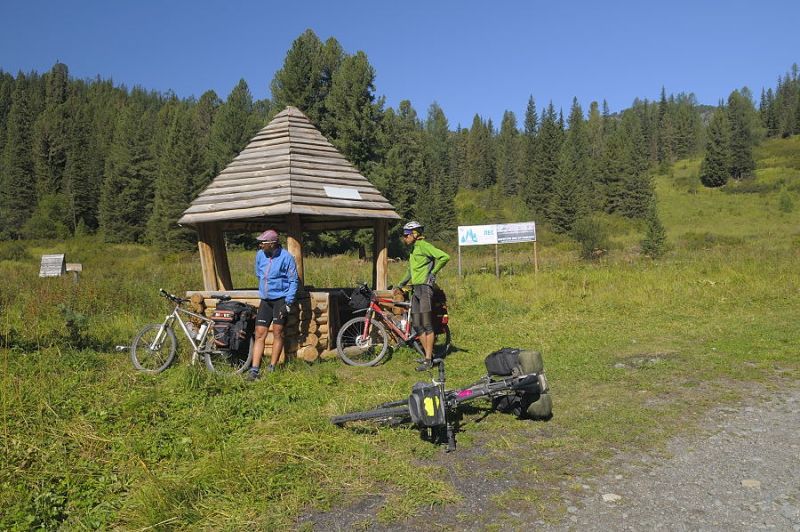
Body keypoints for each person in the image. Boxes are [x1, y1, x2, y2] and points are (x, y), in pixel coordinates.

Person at [393, 221, 450, 371]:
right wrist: (400, 284)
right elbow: (411, 272)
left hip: (424, 289)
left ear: (415, 234)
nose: (404, 238)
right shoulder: (413, 250)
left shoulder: (424, 246)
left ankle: (428, 359)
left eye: (406, 235)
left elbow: (444, 257)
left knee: (426, 324)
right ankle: (428, 357)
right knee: (417, 325)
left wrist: (433, 273)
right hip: (415, 290)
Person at [249, 229, 299, 380]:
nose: (260, 245)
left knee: (278, 332)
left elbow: (293, 281)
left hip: (281, 300)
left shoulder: (286, 258)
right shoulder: (260, 255)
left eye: (262, 243)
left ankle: (272, 368)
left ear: (272, 243)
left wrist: (288, 302)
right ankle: (254, 370)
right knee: (259, 334)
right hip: (265, 300)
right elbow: (258, 273)